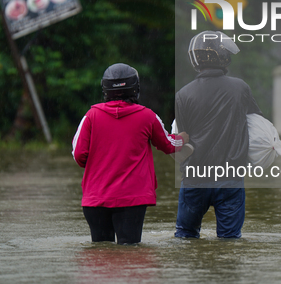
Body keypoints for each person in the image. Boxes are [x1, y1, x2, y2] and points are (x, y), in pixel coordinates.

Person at [72, 63, 188, 245]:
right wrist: (183, 138)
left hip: (95, 200)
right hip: (132, 200)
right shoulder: (147, 116)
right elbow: (168, 145)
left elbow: (79, 155)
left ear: (105, 88)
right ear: (135, 88)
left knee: (101, 254)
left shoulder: (90, 116)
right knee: (130, 253)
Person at [174, 31, 262, 239]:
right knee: (230, 240)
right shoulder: (240, 88)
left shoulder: (183, 94)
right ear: (222, 56)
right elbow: (256, 121)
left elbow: (182, 138)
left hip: (195, 179)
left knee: (185, 236)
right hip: (230, 179)